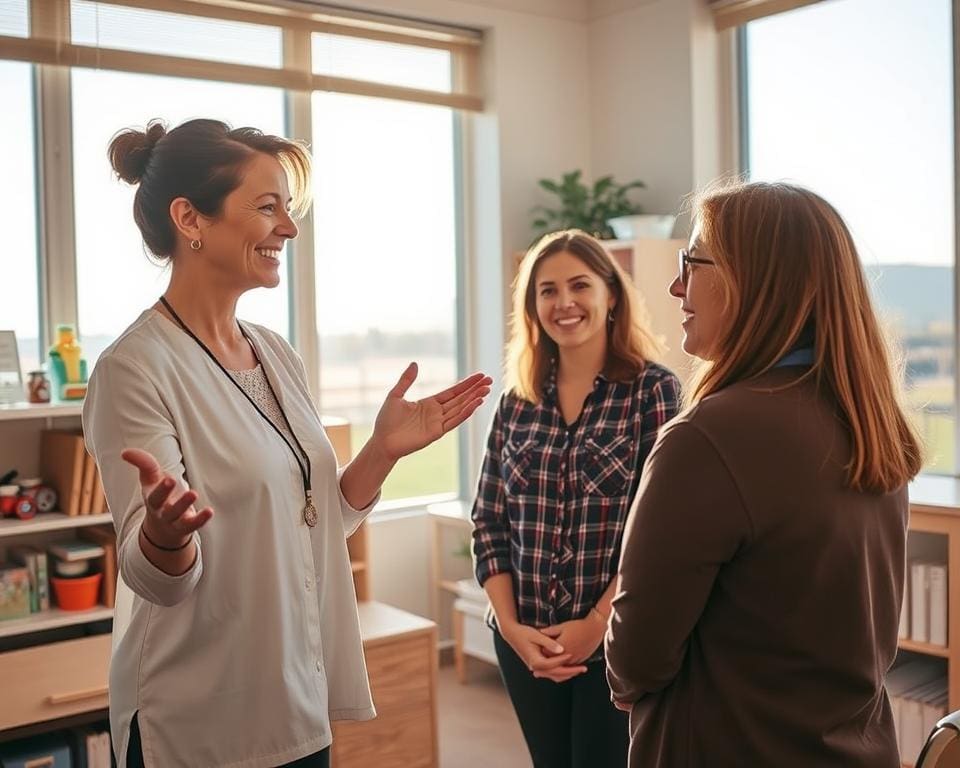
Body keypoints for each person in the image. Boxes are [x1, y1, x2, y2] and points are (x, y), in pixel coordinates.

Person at [82, 118, 491, 768]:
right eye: (268, 207)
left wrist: (383, 449)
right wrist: (165, 532)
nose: (290, 229)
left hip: (295, 699)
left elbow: (312, 515)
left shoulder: (274, 354)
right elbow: (151, 580)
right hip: (197, 718)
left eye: (290, 210)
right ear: (190, 218)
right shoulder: (135, 368)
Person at [605, 181, 924, 767]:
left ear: (753, 280)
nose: (677, 286)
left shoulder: (710, 436)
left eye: (692, 264)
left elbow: (638, 656)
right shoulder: (868, 420)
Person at [471, 229, 680, 767]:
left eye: (579, 285)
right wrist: (513, 630)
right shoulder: (516, 401)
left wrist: (594, 626)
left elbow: (659, 536)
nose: (563, 303)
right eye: (547, 290)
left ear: (611, 294)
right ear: (532, 305)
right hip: (524, 642)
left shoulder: (653, 392)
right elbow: (489, 522)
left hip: (613, 642)